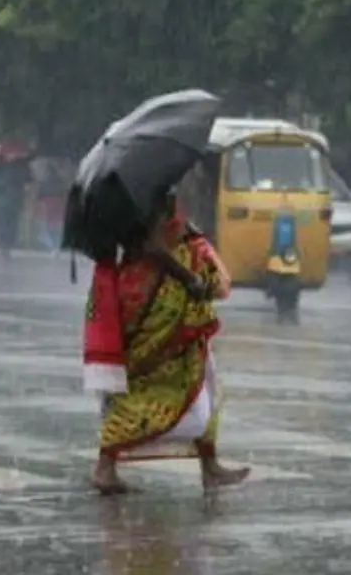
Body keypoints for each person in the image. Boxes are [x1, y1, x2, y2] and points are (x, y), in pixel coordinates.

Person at [82, 186, 247, 495]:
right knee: (157, 386)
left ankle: (209, 465)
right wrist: (189, 278)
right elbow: (155, 247)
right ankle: (105, 467)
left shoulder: (128, 197)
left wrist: (189, 231)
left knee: (197, 380)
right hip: (162, 301)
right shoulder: (154, 194)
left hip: (142, 294)